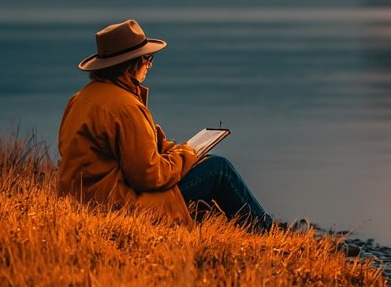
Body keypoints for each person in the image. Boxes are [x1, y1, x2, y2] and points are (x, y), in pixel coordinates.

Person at [57, 19, 272, 231]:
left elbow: (131, 153)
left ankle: (256, 228)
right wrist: (186, 155)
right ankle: (266, 232)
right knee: (219, 169)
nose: (150, 65)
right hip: (115, 202)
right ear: (130, 66)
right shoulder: (126, 107)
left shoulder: (80, 99)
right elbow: (148, 177)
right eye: (146, 58)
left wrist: (178, 153)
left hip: (84, 197)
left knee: (208, 166)